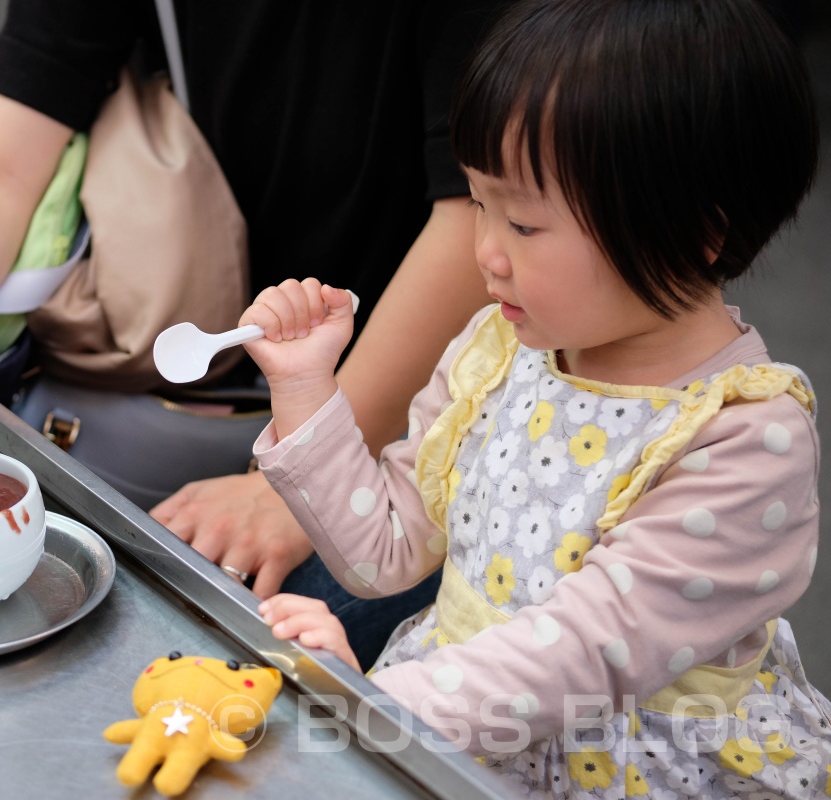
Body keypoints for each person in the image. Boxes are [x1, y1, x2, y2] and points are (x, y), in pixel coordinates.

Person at [241, 0, 829, 796]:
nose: (485, 252)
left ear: (696, 230)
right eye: (479, 204)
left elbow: (580, 652)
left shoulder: (743, 440)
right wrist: (308, 389)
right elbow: (384, 553)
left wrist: (373, 703)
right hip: (453, 729)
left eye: (523, 223)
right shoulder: (496, 354)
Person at [0, 0, 508, 666]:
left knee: (241, 644)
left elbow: (474, 223)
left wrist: (296, 484)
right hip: (188, 395)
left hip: (393, 416)